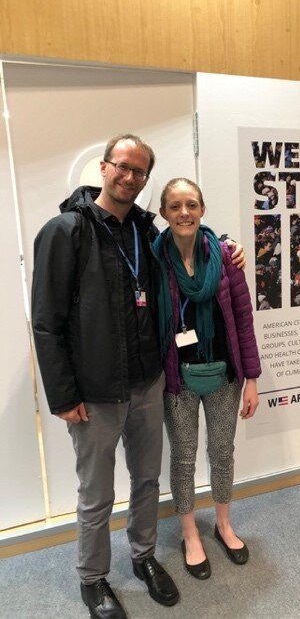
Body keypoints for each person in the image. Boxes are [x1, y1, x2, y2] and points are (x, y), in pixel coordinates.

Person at [31, 135, 244, 619]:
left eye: (139, 172)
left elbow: (190, 235)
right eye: (121, 167)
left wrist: (230, 243)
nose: (129, 177)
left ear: (146, 179)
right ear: (103, 168)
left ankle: (144, 557)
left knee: (147, 480)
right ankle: (93, 578)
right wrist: (63, 395)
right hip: (94, 392)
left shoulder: (147, 233)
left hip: (148, 383)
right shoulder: (65, 232)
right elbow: (46, 321)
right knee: (96, 491)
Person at [152, 178, 261, 581]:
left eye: (192, 204)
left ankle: (223, 524)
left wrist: (251, 377)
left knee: (222, 451)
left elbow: (244, 323)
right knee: (182, 457)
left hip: (224, 377)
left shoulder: (227, 257)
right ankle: (188, 533)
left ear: (202, 209)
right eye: (176, 206)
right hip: (175, 380)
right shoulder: (153, 260)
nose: (184, 213)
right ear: (164, 213)